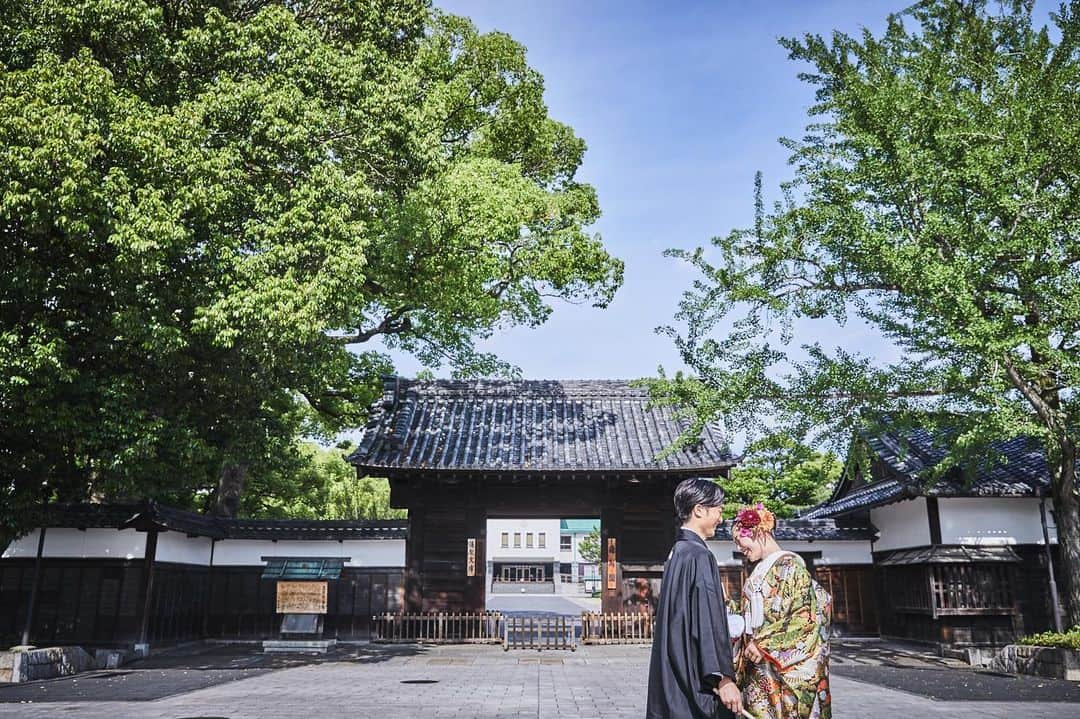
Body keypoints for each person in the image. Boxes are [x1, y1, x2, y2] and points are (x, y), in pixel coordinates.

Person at [647, 478, 743, 718]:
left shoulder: (678, 553)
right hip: (694, 676)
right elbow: (706, 620)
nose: (721, 518)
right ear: (699, 510)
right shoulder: (699, 556)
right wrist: (722, 678)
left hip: (675, 668)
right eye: (719, 510)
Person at [732, 504, 832, 719]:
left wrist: (764, 643)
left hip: (777, 664)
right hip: (758, 664)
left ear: (760, 533)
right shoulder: (761, 568)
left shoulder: (791, 566)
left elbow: (807, 617)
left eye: (739, 541)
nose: (739, 547)